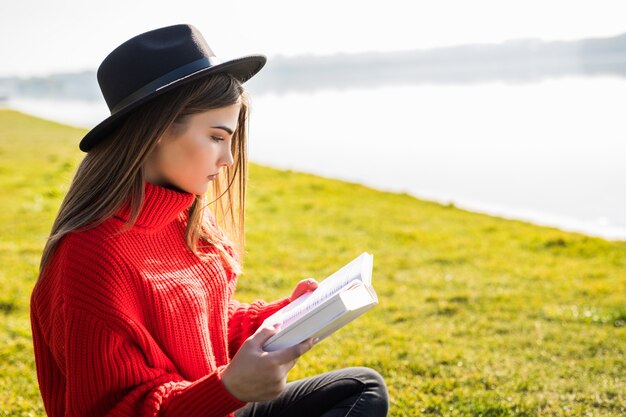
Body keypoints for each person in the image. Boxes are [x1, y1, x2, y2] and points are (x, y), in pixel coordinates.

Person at [30, 24, 389, 417]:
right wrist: (229, 388)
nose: (229, 159)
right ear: (156, 132)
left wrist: (282, 317)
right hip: (199, 407)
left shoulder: (186, 217)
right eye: (218, 137)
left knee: (360, 388)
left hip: (216, 407)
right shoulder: (91, 257)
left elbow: (203, 326)